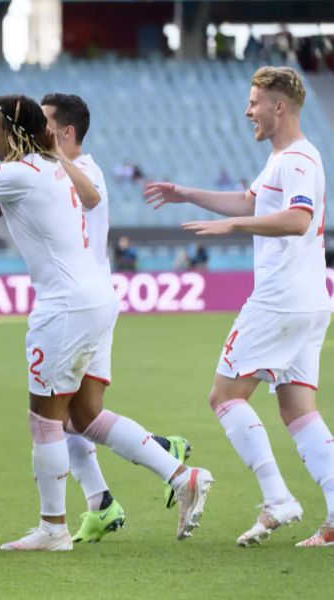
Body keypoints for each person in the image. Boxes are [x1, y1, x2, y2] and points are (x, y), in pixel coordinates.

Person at [0, 94, 213, 551]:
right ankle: (166, 477)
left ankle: (54, 527)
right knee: (83, 416)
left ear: (58, 129)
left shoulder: (63, 168)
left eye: (45, 122)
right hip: (94, 297)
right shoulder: (53, 169)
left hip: (67, 304)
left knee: (45, 422)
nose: (42, 130)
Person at [145, 66, 334, 547]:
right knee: (297, 409)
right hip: (308, 301)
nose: (247, 111)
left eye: (254, 102)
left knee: (225, 396)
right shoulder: (284, 159)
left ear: (279, 107)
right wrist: (186, 193)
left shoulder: (297, 160)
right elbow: (249, 204)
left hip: (280, 300)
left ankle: (278, 498)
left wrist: (232, 230)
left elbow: (296, 220)